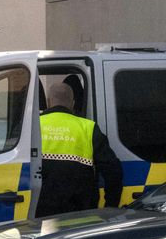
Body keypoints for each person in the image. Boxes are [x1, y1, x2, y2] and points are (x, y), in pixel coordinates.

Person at [35, 83, 122, 217]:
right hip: (81, 213)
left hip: (42, 214)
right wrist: (110, 208)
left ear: (48, 102)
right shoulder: (88, 128)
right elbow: (113, 170)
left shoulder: (34, 127)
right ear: (73, 103)